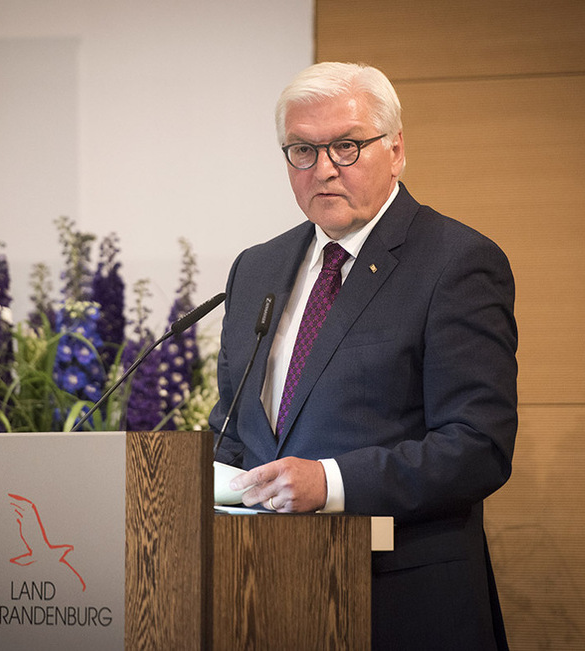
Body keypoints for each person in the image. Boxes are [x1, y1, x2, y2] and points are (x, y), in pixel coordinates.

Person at [209, 61, 518, 649]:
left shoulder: (456, 262)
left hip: (402, 601)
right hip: (262, 596)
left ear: (396, 150)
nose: (323, 168)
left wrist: (330, 481)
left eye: (347, 146)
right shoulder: (257, 268)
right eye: (302, 149)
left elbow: (478, 447)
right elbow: (234, 430)